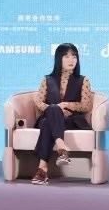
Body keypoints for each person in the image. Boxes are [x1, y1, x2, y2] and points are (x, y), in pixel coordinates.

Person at [28, 43, 93, 185]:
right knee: (52, 112)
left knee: (47, 122)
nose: (71, 60)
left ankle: (42, 169)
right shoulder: (47, 79)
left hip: (71, 120)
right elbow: (38, 102)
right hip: (52, 117)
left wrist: (67, 105)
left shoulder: (83, 80)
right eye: (66, 56)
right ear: (59, 59)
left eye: (74, 56)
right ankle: (61, 146)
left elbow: (86, 105)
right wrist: (56, 109)